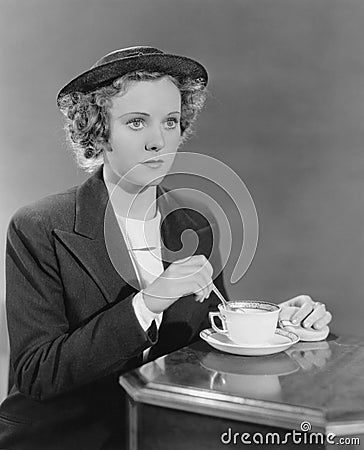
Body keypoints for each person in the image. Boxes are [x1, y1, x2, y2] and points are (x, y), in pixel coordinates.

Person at [0, 46, 332, 449]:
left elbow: (209, 336)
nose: (159, 140)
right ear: (98, 131)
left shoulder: (195, 223)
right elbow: (37, 373)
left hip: (165, 433)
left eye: (170, 121)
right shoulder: (39, 227)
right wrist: (149, 301)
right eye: (137, 122)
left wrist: (280, 323)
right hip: (66, 437)